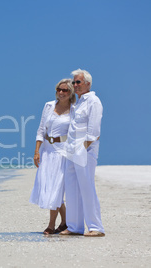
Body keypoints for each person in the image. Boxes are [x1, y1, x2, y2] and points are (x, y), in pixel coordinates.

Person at [60, 69, 105, 237]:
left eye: (78, 82)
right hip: (71, 150)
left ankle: (96, 227)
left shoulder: (94, 101)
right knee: (71, 189)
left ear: (88, 83)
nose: (75, 85)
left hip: (85, 152)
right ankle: (74, 227)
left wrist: (81, 149)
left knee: (86, 187)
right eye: (74, 82)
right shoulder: (77, 103)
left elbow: (94, 131)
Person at [30, 78, 75, 235]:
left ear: (71, 93)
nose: (61, 93)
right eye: (59, 89)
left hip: (62, 152)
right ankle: (65, 222)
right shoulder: (49, 106)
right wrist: (37, 151)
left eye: (65, 90)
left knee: (56, 189)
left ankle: (51, 225)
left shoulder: (74, 109)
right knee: (49, 187)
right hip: (47, 151)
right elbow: (41, 129)